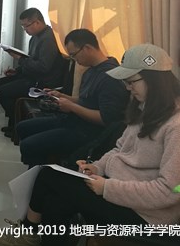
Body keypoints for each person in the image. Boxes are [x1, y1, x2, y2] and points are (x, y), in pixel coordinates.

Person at [0, 43, 180, 246]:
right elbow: (119, 149)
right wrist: (97, 167)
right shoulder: (145, 109)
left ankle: (30, 233)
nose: (128, 88)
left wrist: (108, 188)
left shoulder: (175, 126)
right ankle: (37, 239)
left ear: (155, 79)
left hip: (146, 216)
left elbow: (170, 191)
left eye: (131, 82)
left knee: (50, 178)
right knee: (55, 193)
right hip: (120, 189)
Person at [17, 29, 128, 167]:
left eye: (74, 55)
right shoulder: (92, 70)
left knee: (29, 145)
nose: (75, 60)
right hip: (74, 120)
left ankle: (42, 173)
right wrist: (62, 96)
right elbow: (85, 101)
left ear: (87, 48)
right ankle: (41, 165)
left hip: (89, 132)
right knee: (23, 127)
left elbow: (106, 119)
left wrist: (72, 107)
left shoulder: (110, 77)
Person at [0, 8, 65, 136]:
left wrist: (20, 59)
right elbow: (31, 60)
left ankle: (18, 126)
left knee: (2, 92)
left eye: (26, 26)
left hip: (42, 83)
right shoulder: (36, 37)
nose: (25, 29)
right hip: (31, 76)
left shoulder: (48, 39)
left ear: (37, 22)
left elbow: (43, 67)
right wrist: (17, 71)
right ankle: (14, 123)